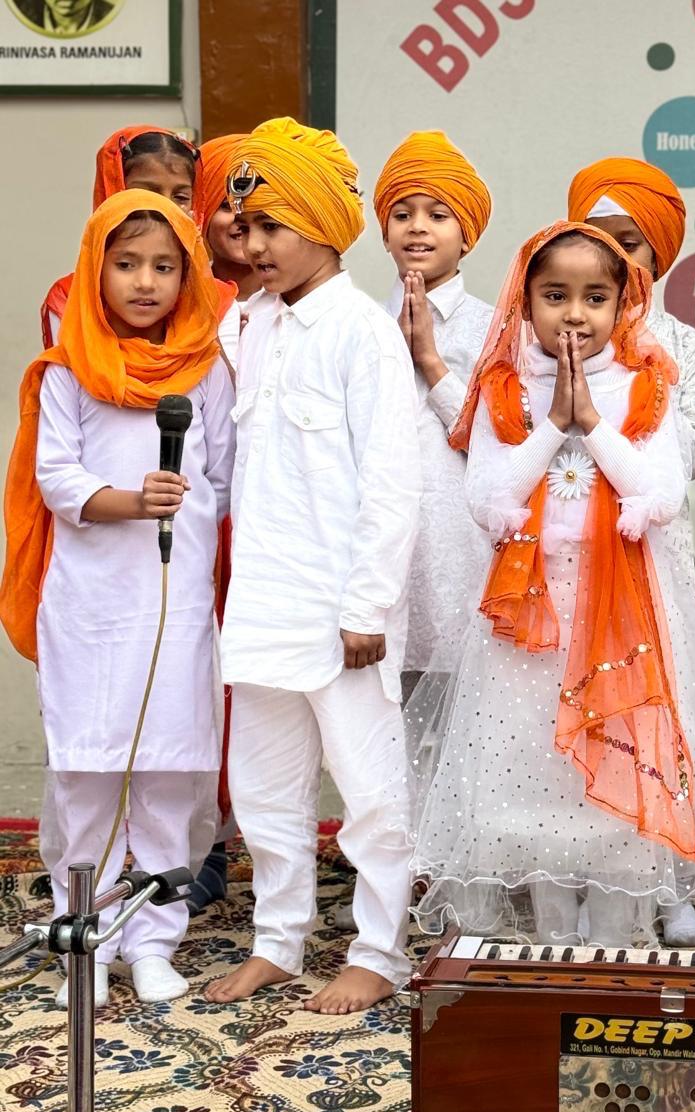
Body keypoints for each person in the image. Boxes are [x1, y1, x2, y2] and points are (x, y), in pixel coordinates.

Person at [410, 221, 695, 946]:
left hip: (621, 622)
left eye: (594, 296)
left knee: (612, 787)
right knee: (534, 785)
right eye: (555, 295)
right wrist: (549, 429)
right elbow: (486, 502)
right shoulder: (501, 388)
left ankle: (613, 953)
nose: (574, 313)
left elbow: (656, 494)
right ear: (525, 300)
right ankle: (549, 954)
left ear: (622, 304)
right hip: (526, 628)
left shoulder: (644, 384)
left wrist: (591, 422)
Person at [204, 118, 421, 1015]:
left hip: (343, 611)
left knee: (369, 792)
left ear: (325, 227)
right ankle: (277, 942)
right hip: (261, 602)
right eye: (243, 229)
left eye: (270, 228)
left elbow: (392, 481)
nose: (251, 246)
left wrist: (368, 602)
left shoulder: (362, 333)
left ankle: (377, 950)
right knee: (264, 789)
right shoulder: (248, 324)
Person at [0, 191, 234, 1006]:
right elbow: (57, 478)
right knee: (89, 775)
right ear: (94, 272)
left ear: (187, 278)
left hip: (175, 607)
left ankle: (154, 941)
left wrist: (179, 511)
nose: (145, 282)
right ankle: (87, 941)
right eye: (126, 264)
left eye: (164, 267)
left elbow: (225, 476)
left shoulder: (207, 371)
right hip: (94, 610)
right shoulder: (66, 371)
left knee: (170, 773)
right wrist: (134, 502)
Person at [568, 156, 695, 949]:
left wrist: (628, 392)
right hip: (575, 564)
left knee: (663, 723)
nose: (620, 258)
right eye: (602, 240)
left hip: (654, 559)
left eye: (632, 242)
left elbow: (689, 454)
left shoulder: (683, 344)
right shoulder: (554, 337)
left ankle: (668, 891)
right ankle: (588, 880)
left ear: (659, 253)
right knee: (595, 721)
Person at [374, 130, 493, 685]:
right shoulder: (362, 322)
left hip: (460, 549)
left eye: (438, 214)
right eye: (402, 214)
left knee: (458, 743)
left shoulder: (498, 326)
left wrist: (428, 359)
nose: (418, 226)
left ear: (465, 235)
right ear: (384, 232)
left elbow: (499, 439)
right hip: (381, 550)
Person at [41, 126, 236, 348]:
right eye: (148, 194)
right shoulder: (69, 300)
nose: (164, 207)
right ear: (113, 192)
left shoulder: (217, 303)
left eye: (180, 197)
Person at [198, 133, 264, 369]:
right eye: (227, 205)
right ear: (203, 212)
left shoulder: (294, 305)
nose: (242, 218)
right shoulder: (182, 302)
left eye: (256, 206)